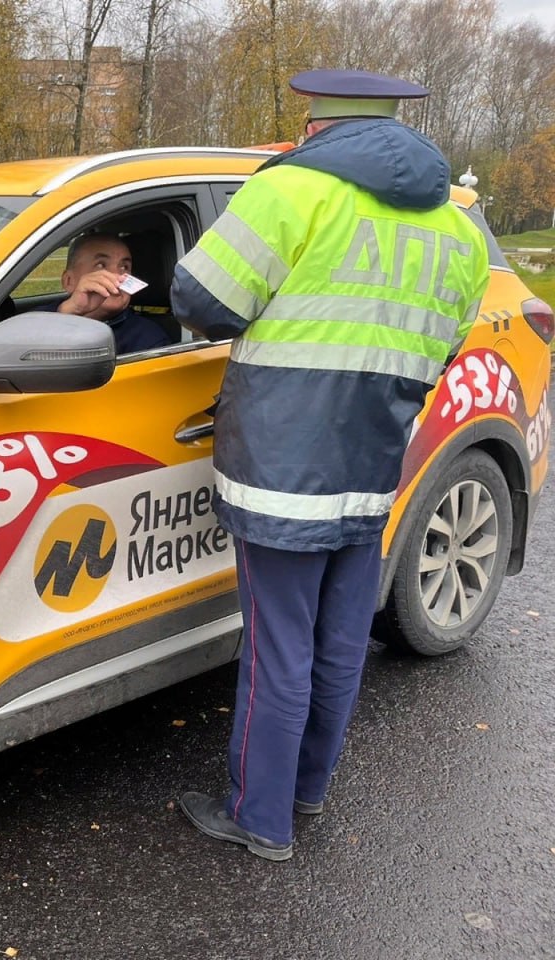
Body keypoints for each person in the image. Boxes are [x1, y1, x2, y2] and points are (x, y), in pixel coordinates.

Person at [169, 69, 490, 861]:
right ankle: (308, 789)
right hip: (373, 463)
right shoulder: (456, 229)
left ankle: (260, 818)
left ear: (315, 129)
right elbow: (444, 348)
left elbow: (200, 301)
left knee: (279, 648)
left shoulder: (292, 192)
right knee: (340, 641)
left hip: (280, 466)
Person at [56, 232, 170, 353]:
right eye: (101, 265)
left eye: (124, 267)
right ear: (68, 281)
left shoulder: (148, 340)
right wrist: (68, 312)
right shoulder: (38, 319)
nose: (116, 276)